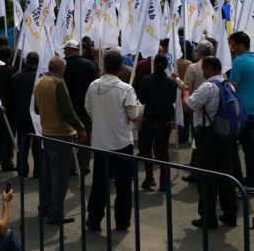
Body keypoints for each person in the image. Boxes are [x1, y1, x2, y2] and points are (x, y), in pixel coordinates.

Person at [85, 50, 141, 233]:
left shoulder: (93, 85)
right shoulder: (126, 89)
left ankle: (94, 219)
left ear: (104, 66)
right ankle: (122, 221)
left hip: (101, 142)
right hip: (122, 142)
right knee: (123, 185)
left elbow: (89, 109)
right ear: (119, 68)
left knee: (99, 183)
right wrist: (139, 107)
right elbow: (134, 117)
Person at [181, 56, 239, 229]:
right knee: (225, 175)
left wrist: (185, 93)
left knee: (206, 177)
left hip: (208, 136)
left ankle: (208, 217)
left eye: (204, 69)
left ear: (209, 68)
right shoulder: (228, 85)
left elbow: (188, 107)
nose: (203, 72)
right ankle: (230, 213)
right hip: (225, 134)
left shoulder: (207, 87)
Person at [33, 56, 86, 225]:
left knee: (48, 174)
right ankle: (56, 213)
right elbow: (67, 111)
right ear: (62, 69)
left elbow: (36, 109)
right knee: (60, 177)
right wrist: (80, 127)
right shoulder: (59, 83)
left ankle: (45, 207)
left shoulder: (40, 82)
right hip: (61, 134)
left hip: (47, 132)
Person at [228, 31, 254, 194]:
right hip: (252, 109)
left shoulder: (238, 62)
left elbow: (232, 88)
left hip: (238, 110)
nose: (231, 48)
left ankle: (238, 183)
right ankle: (250, 183)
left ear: (241, 45)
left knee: (232, 147)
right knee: (249, 147)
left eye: (233, 45)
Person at [138, 54, 178, 192]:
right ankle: (164, 181)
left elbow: (141, 99)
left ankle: (149, 177)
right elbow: (172, 99)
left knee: (147, 149)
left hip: (149, 120)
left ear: (154, 65)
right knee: (163, 151)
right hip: (165, 120)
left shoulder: (146, 80)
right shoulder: (172, 82)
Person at [62, 39, 98, 175]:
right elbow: (94, 85)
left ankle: (71, 165)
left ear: (71, 50)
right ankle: (84, 164)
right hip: (85, 108)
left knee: (69, 137)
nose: (64, 52)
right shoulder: (88, 64)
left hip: (68, 108)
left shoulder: (63, 64)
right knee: (85, 138)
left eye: (66, 49)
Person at [182, 40, 214, 182]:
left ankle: (196, 172)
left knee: (197, 141)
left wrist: (177, 80)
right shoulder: (217, 66)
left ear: (199, 52)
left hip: (197, 109)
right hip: (214, 110)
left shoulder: (194, 67)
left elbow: (186, 86)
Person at [11, 51, 41, 178]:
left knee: (22, 143)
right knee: (38, 144)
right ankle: (38, 171)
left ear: (26, 61)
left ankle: (22, 170)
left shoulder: (17, 77)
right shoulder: (41, 77)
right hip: (37, 115)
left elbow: (11, 96)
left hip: (21, 114)